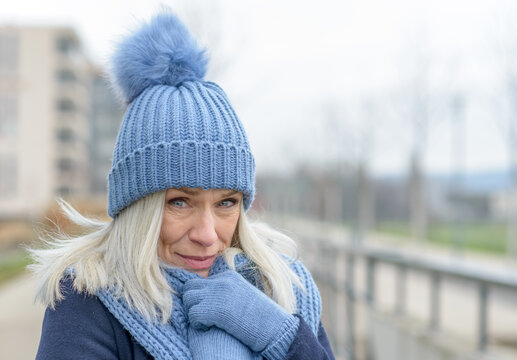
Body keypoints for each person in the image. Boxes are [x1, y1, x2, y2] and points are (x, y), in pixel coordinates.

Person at [31, 11, 335, 360]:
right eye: (180, 202)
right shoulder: (87, 303)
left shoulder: (282, 289)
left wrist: (282, 338)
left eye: (226, 203)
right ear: (137, 206)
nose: (207, 235)